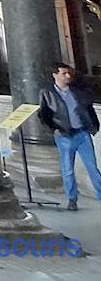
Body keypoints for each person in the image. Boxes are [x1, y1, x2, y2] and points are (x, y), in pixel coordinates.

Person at [38, 62, 101, 211]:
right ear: (55, 75)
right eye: (63, 73)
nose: (67, 76)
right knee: (67, 169)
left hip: (82, 133)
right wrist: (54, 128)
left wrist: (94, 126)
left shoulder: (77, 91)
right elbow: (44, 114)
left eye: (68, 73)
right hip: (64, 135)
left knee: (92, 167)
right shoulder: (47, 93)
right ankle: (72, 199)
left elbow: (88, 108)